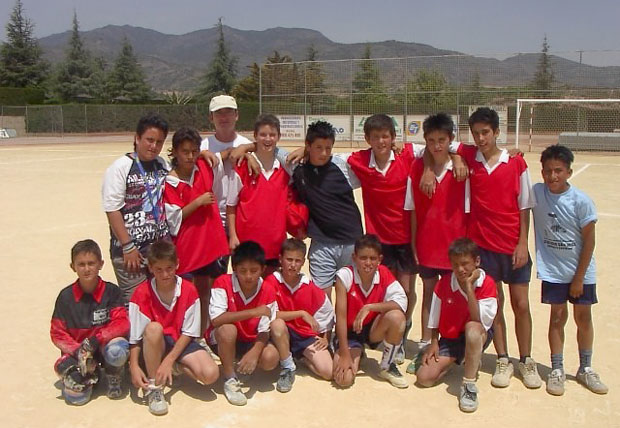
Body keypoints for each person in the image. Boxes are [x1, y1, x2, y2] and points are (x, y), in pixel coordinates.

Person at [452, 107, 540, 389]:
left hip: (512, 246)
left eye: (485, 132)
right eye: (476, 133)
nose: (480, 138)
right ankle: (503, 358)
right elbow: (436, 142)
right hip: (484, 248)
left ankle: (526, 360)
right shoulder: (470, 156)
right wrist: (456, 156)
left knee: (521, 304)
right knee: (497, 304)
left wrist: (522, 243)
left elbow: (524, 205)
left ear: (497, 132)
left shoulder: (515, 163)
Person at [346, 114, 423, 363]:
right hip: (379, 240)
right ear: (367, 139)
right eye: (376, 136)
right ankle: (385, 332)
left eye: (386, 136)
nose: (381, 141)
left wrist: (455, 156)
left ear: (393, 138)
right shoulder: (358, 161)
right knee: (385, 290)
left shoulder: (407, 155)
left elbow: (442, 147)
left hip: (406, 237)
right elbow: (329, 157)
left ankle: (402, 328)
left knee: (406, 288)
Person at [532, 144, 607, 396]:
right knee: (556, 318)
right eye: (548, 171)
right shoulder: (537, 193)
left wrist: (578, 278)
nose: (552, 176)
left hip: (580, 272)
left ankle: (586, 367)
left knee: (583, 319)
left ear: (569, 172)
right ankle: (557, 369)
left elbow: (590, 241)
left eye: (558, 171)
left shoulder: (581, 201)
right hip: (554, 271)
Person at [404, 113, 468, 372]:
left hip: (454, 248)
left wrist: (457, 157)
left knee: (456, 297)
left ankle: (455, 344)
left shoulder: (463, 169)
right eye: (431, 140)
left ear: (450, 140)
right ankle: (424, 344)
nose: (436, 145)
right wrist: (413, 245)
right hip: (428, 246)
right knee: (430, 294)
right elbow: (412, 211)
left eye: (442, 140)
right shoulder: (417, 167)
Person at [128, 241, 219, 416]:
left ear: (177, 264)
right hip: (155, 343)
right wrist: (133, 365)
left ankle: (174, 368)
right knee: (153, 329)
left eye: (169, 268)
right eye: (159, 269)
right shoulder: (141, 293)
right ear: (151, 268)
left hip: (179, 341)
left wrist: (169, 360)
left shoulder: (189, 290)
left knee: (211, 374)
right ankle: (155, 387)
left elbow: (189, 332)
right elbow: (135, 336)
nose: (165, 274)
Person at [415, 238, 497, 413]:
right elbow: (435, 318)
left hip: (477, 333)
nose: (460, 269)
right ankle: (461, 360)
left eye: (465, 264)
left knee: (472, 330)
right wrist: (434, 343)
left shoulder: (487, 284)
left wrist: (468, 287)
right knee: (424, 378)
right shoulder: (444, 283)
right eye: (455, 264)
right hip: (450, 338)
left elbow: (478, 320)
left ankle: (469, 385)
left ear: (477, 262)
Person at [208, 241, 292, 405]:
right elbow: (216, 319)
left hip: (251, 338)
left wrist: (255, 352)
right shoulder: (222, 282)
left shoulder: (267, 289)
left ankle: (244, 364)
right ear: (234, 269)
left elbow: (264, 329)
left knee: (270, 358)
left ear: (262, 269)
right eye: (243, 271)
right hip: (222, 339)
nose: (248, 276)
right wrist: (254, 311)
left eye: (254, 271)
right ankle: (230, 378)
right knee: (227, 330)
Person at [164, 126, 230, 333]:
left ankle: (203, 332)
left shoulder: (203, 165)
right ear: (174, 151)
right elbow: (174, 218)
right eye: (185, 152)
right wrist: (198, 202)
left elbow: (226, 154)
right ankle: (182, 333)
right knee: (184, 294)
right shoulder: (170, 182)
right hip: (187, 246)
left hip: (209, 243)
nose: (190, 156)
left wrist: (250, 149)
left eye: (194, 151)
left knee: (206, 292)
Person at [51, 239, 130, 405]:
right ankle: (89, 375)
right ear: (73, 267)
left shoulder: (111, 291)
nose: (86, 269)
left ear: (101, 264)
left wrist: (96, 340)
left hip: (102, 346)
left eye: (91, 263)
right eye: (81, 264)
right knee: (76, 399)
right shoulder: (65, 297)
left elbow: (122, 323)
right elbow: (57, 333)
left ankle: (112, 375)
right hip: (79, 354)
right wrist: (79, 352)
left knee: (118, 350)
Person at [102, 113, 171, 303]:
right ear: (137, 138)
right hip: (131, 253)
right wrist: (127, 245)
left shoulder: (162, 165)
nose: (154, 146)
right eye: (149, 140)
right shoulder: (121, 168)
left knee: (161, 302)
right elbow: (112, 209)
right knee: (136, 305)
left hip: (158, 251)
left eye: (159, 142)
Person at [291, 121, 363, 295]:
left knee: (352, 297)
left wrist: (394, 144)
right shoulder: (297, 169)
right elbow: (271, 152)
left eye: (328, 148)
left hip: (351, 242)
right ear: (308, 145)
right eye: (318, 147)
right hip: (321, 244)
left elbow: (375, 154)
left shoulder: (343, 165)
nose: (324, 153)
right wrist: (247, 147)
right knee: (321, 300)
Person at [332, 234, 409, 389]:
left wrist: (370, 307)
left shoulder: (384, 273)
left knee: (397, 316)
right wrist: (345, 354)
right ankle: (355, 352)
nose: (368, 263)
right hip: (350, 331)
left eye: (373, 258)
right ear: (354, 258)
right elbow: (340, 318)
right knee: (344, 379)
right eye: (363, 258)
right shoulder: (345, 276)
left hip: (373, 329)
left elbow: (402, 302)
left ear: (380, 259)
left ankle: (387, 366)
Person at [227, 114, 293, 277]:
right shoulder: (242, 167)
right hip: (247, 244)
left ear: (279, 137)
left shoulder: (286, 170)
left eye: (272, 135)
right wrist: (233, 236)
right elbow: (231, 206)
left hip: (275, 245)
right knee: (245, 291)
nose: (268, 139)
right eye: (263, 134)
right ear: (255, 136)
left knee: (271, 294)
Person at [267, 238, 335, 381]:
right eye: (289, 259)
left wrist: (326, 337)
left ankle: (301, 357)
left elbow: (327, 313)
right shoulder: (271, 282)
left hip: (304, 335)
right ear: (280, 259)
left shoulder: (310, 287)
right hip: (279, 334)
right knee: (277, 324)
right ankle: (287, 365)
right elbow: (269, 313)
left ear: (303, 262)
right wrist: (301, 313)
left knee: (328, 372)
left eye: (297, 261)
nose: (293, 265)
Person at [200, 94, 252, 230]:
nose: (224, 117)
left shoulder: (247, 145)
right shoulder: (202, 147)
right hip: (211, 217)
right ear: (211, 117)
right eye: (218, 113)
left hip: (241, 217)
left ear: (236, 115)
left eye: (228, 112)